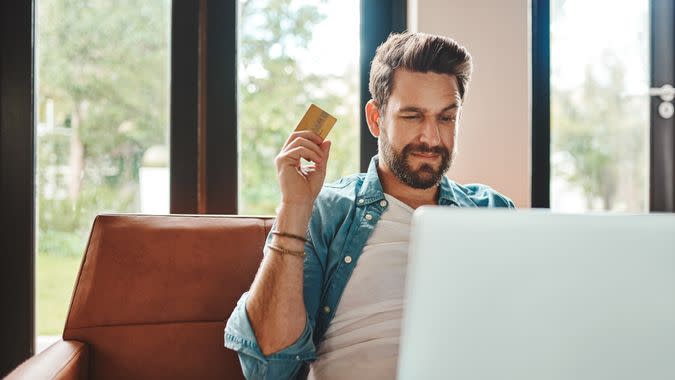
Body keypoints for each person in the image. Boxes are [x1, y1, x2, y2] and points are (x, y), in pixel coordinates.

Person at [225, 32, 515, 380]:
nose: (432, 138)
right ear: (376, 118)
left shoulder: (493, 212)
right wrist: (294, 206)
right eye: (412, 116)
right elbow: (268, 367)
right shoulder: (329, 211)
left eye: (446, 118)